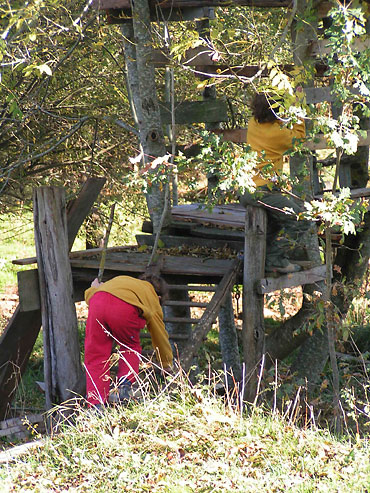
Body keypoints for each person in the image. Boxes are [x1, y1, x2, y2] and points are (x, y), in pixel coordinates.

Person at [240, 92, 309, 273]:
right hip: (262, 190)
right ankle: (275, 259)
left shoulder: (253, 124)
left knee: (277, 222)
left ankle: (267, 259)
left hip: (249, 188)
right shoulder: (277, 134)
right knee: (301, 219)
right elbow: (299, 138)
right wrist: (298, 108)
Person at [84, 274, 173, 407]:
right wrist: (166, 363)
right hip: (122, 307)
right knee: (130, 346)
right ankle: (123, 386)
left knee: (96, 355)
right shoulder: (152, 297)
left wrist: (93, 288)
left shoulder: (126, 281)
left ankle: (95, 403)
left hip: (97, 301)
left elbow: (90, 297)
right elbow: (159, 334)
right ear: (159, 297)